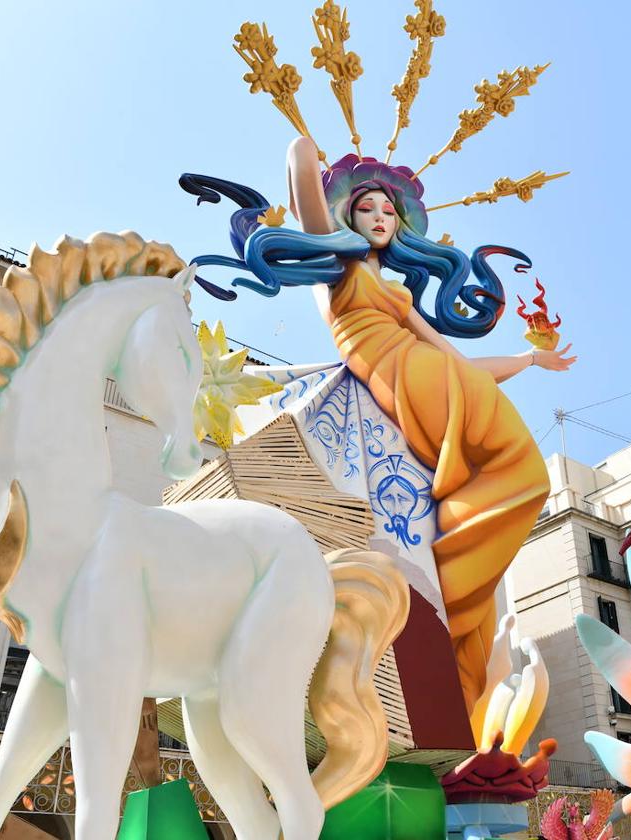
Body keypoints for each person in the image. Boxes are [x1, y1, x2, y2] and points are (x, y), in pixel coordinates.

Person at [183, 138, 575, 711]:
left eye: (389, 211)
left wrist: (529, 360)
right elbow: (300, 174)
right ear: (346, 214)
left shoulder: (392, 288)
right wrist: (304, 148)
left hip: (438, 377)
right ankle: (451, 587)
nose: (380, 218)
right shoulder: (334, 262)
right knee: (525, 474)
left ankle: (447, 588)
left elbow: (461, 362)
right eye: (367, 208)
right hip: (406, 375)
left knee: (516, 478)